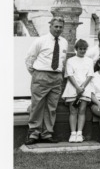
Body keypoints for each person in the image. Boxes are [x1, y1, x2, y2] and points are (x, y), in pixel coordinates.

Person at [24, 17, 68, 145]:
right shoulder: (41, 41)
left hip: (56, 77)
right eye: (56, 26)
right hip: (41, 75)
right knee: (37, 105)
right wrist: (36, 74)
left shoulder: (64, 42)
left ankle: (47, 133)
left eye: (60, 27)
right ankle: (33, 133)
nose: (58, 29)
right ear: (50, 26)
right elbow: (29, 59)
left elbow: (63, 61)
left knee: (52, 107)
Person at [62, 38, 94, 143]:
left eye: (84, 49)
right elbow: (69, 75)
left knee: (82, 110)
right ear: (76, 49)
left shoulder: (89, 61)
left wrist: (82, 87)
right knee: (73, 110)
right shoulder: (70, 61)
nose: (82, 51)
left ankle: (79, 133)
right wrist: (77, 87)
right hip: (72, 87)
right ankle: (73, 134)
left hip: (85, 88)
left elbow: (90, 75)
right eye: (80, 48)